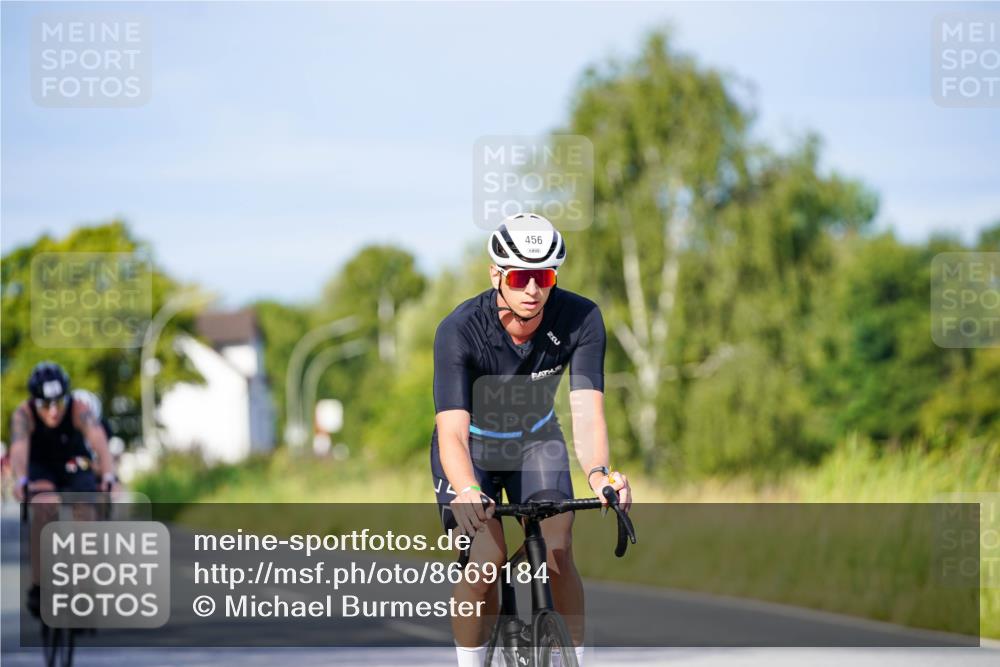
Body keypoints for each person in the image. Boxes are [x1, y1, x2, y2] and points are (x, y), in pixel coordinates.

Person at [430, 213, 632, 667]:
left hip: (536, 441)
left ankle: (575, 659)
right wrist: (467, 489)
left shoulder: (581, 318)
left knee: (558, 546)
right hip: (471, 449)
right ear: (496, 275)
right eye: (521, 277)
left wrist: (600, 475)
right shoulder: (459, 329)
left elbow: (587, 412)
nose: (533, 290)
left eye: (545, 277)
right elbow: (452, 431)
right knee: (487, 558)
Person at [9, 362, 120, 617]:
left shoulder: (79, 409)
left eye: (58, 403)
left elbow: (99, 442)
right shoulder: (24, 414)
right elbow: (19, 450)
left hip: (74, 464)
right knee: (43, 507)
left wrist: (108, 475)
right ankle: (39, 585)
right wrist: (21, 480)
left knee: (86, 508)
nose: (53, 411)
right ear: (34, 401)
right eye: (45, 404)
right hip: (41, 467)